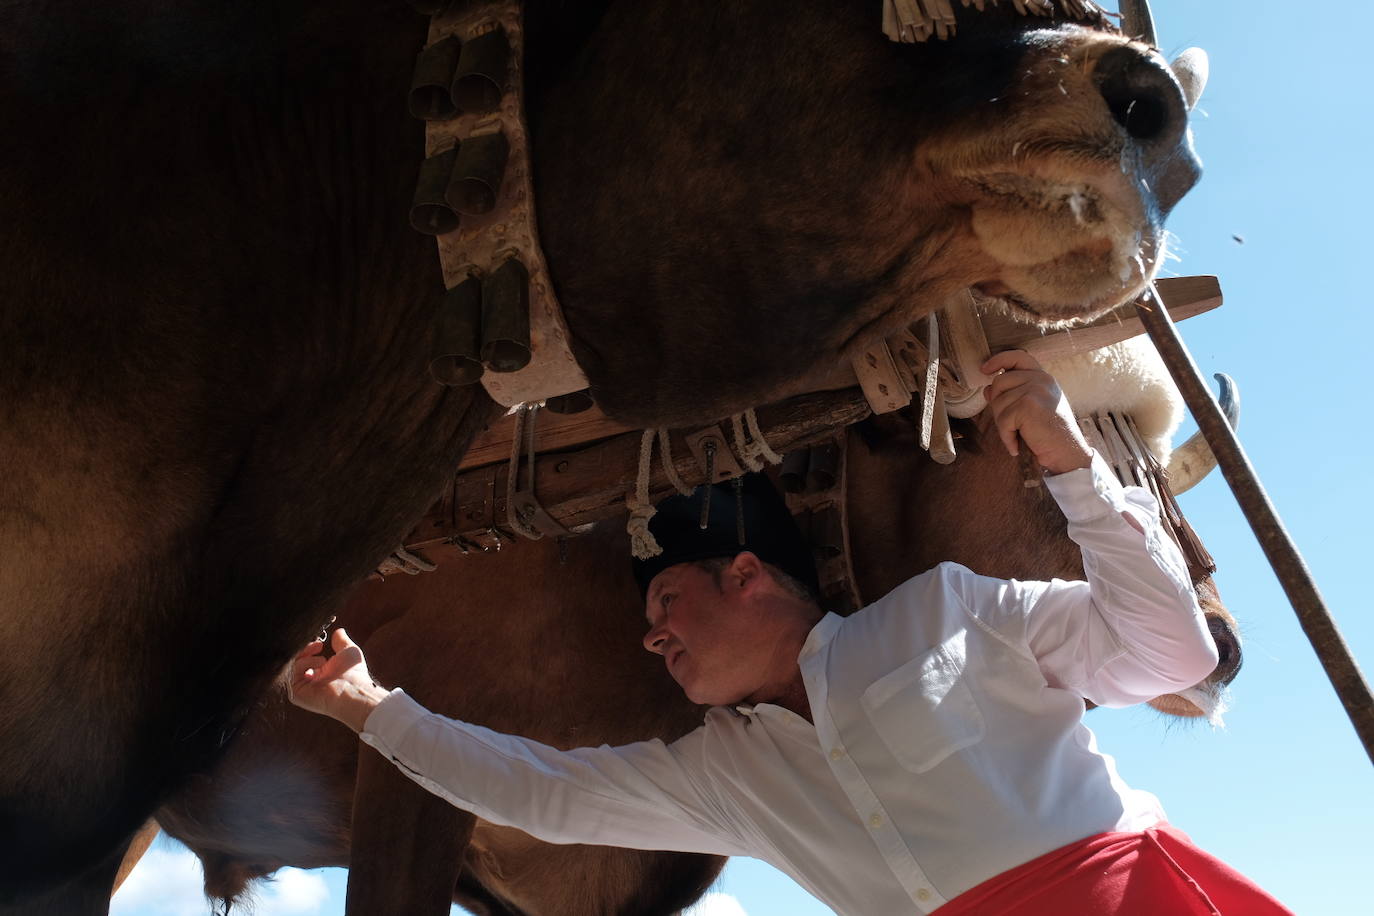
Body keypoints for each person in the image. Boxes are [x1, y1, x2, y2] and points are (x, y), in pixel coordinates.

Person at [289, 350, 1291, 914]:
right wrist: (368, 707)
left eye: (663, 603)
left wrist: (1073, 461)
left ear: (746, 574)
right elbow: (544, 795)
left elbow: (1174, 653)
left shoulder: (952, 607)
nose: (652, 638)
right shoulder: (727, 780)